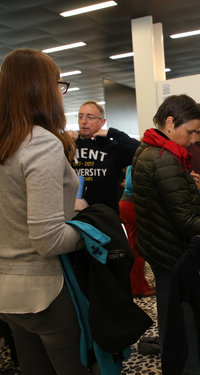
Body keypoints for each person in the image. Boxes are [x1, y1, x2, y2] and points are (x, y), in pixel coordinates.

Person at [0, 48, 88, 374]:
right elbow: (48, 239)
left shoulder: (7, 141)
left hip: (7, 292)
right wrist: (88, 230)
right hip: (44, 290)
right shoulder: (40, 143)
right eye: (58, 84)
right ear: (42, 89)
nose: (60, 93)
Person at [132, 94, 200, 374]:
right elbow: (184, 220)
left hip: (160, 248)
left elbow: (164, 203)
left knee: (174, 322)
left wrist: (187, 188)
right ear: (170, 123)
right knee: (187, 325)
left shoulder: (148, 149)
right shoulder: (164, 158)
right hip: (174, 252)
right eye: (191, 131)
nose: (195, 139)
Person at [68, 100, 140, 213]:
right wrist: (63, 139)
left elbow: (140, 151)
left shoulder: (112, 147)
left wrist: (113, 133)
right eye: (80, 116)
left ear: (102, 122)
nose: (83, 121)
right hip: (74, 214)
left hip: (106, 215)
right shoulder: (70, 145)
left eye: (90, 117)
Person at [119, 166, 155, 297]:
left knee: (137, 246)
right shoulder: (138, 160)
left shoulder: (135, 160)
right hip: (132, 205)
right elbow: (130, 185)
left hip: (129, 204)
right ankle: (137, 287)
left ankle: (141, 283)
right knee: (137, 248)